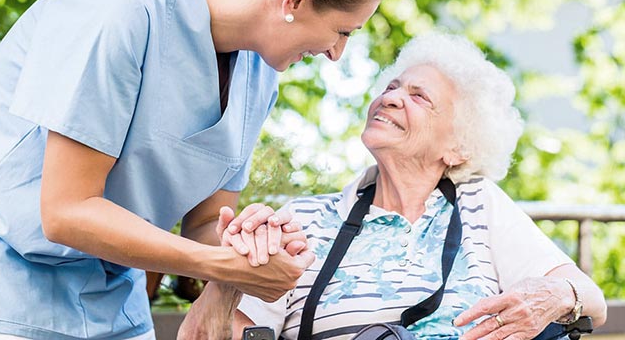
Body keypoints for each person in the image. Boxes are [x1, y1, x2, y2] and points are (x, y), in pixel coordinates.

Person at [0, 0, 398, 339]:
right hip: (6, 297)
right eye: (343, 31)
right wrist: (223, 266)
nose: (336, 53)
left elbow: (202, 224)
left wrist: (254, 245)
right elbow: (66, 211)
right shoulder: (120, 9)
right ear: (296, 0)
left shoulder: (259, 75)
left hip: (116, 310)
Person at [191, 32, 608, 339]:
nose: (391, 98)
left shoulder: (480, 204)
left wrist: (551, 295)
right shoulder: (303, 219)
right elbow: (219, 334)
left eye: (418, 97)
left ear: (458, 147)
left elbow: (591, 298)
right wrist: (229, 277)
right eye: (391, 88)